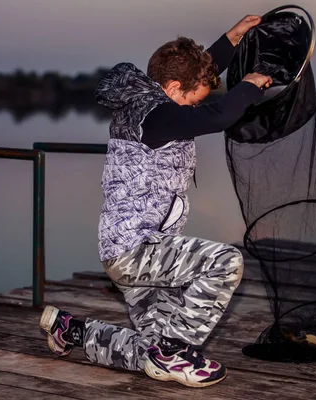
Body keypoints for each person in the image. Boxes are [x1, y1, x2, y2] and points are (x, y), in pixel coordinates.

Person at [40, 15, 272, 388]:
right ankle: (174, 353)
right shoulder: (158, 115)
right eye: (192, 99)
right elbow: (222, 114)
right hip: (138, 250)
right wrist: (249, 85)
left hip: (129, 249)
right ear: (173, 87)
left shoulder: (146, 100)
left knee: (151, 346)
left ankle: (75, 331)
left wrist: (232, 38)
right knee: (225, 262)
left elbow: (196, 78)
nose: (194, 107)